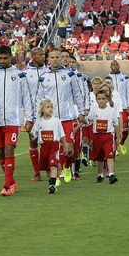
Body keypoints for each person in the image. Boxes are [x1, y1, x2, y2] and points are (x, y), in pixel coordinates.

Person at [0, 45, 35, 197]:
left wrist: (29, 118)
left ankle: (6, 185)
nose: (3, 61)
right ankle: (11, 181)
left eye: (5, 58)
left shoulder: (20, 75)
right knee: (1, 153)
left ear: (11, 57)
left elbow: (27, 99)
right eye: (0, 58)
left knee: (10, 149)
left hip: (13, 120)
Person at [36, 49, 87, 184]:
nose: (55, 59)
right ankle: (55, 175)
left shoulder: (69, 74)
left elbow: (77, 94)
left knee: (69, 148)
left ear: (61, 59)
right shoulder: (43, 76)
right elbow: (39, 98)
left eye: (57, 57)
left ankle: (67, 167)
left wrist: (81, 112)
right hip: (50, 119)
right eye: (52, 57)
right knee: (52, 148)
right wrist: (37, 117)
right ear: (48, 59)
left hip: (67, 116)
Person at [31, 98, 71, 194]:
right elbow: (33, 134)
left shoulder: (56, 121)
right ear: (42, 109)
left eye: (51, 107)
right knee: (47, 168)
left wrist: (65, 145)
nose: (50, 109)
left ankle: (53, 184)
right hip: (44, 146)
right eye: (47, 107)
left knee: (53, 165)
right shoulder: (39, 121)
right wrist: (30, 131)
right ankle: (51, 185)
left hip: (54, 145)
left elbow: (61, 134)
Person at [23, 47, 48, 182]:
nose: (43, 56)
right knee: (33, 142)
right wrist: (27, 116)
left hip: (48, 114)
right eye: (40, 54)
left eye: (44, 54)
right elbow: (23, 96)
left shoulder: (48, 71)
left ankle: (51, 169)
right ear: (32, 56)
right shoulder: (25, 73)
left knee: (48, 142)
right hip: (32, 114)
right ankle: (37, 172)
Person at [86, 90, 120, 184]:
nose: (101, 101)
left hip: (108, 135)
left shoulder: (112, 110)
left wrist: (117, 136)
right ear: (96, 100)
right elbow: (89, 121)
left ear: (107, 99)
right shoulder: (94, 110)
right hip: (97, 136)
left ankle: (111, 174)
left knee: (109, 155)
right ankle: (100, 175)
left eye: (103, 99)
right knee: (99, 157)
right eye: (99, 99)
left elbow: (115, 123)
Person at [108, 60, 129, 155]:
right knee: (113, 128)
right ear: (110, 66)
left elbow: (128, 91)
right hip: (111, 106)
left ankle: (122, 142)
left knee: (125, 128)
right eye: (113, 65)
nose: (115, 66)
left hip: (123, 106)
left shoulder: (125, 78)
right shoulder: (108, 78)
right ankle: (115, 146)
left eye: (116, 65)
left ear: (119, 66)